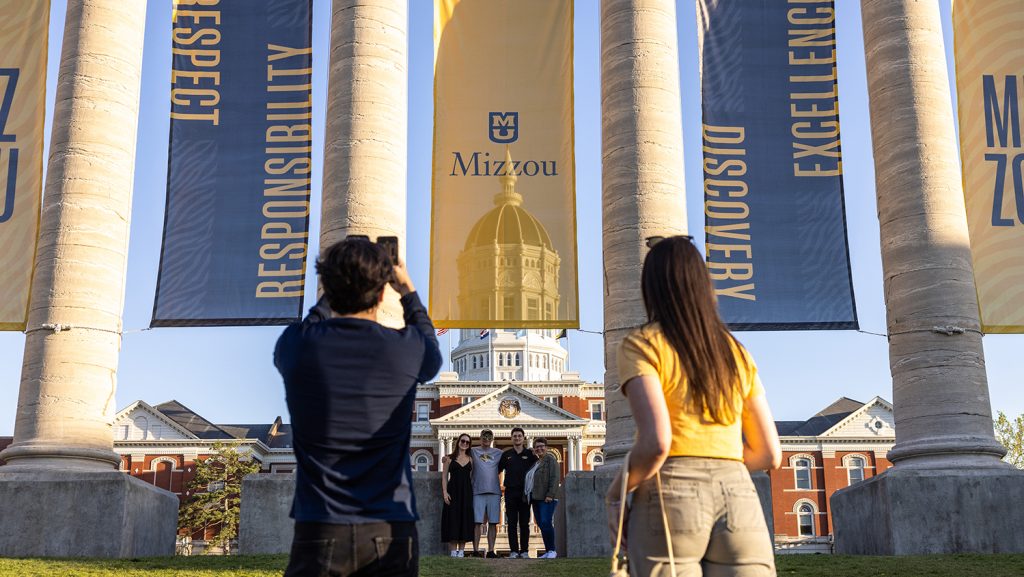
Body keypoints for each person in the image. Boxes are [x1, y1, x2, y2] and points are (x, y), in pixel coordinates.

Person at [606, 235, 782, 577]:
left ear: (651, 288)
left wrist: (615, 495)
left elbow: (657, 443)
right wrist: (719, 459)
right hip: (738, 494)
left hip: (670, 492)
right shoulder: (736, 351)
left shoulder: (642, 344)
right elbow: (770, 454)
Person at [275, 238, 442, 577]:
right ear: (383, 293)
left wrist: (335, 287)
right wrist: (406, 288)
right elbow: (430, 347)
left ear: (327, 288)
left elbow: (312, 321)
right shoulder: (407, 350)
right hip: (389, 527)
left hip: (319, 524)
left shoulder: (296, 345)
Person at [498, 426, 538, 558]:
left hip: (525, 493)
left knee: (524, 523)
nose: (517, 438)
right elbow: (496, 471)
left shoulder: (530, 454)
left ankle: (525, 551)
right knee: (512, 523)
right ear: (511, 438)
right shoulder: (506, 455)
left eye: (519, 436)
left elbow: (538, 469)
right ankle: (514, 551)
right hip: (510, 492)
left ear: (523, 438)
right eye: (514, 436)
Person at [470, 428, 503, 558]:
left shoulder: (499, 452)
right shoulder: (473, 451)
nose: (486, 439)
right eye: (484, 437)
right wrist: (446, 458)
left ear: (492, 439)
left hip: (494, 491)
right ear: (480, 438)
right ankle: (476, 550)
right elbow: (458, 453)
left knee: (493, 522)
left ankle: (490, 550)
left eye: (489, 437)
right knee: (477, 522)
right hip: (477, 491)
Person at [441, 433, 475, 557]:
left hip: (466, 493)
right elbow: (444, 477)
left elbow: (471, 478)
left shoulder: (471, 459)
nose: (465, 443)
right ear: (458, 442)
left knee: (464, 520)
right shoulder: (449, 458)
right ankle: (453, 552)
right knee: (452, 520)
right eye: (463, 441)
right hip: (452, 492)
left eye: (467, 442)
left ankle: (461, 551)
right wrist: (445, 492)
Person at [526, 437, 560, 559]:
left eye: (542, 446)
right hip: (536, 498)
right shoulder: (536, 462)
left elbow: (555, 478)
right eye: (537, 447)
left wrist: (550, 495)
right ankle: (548, 550)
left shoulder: (550, 460)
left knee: (546, 522)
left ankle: (552, 550)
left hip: (547, 498)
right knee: (541, 524)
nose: (539, 448)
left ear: (546, 447)